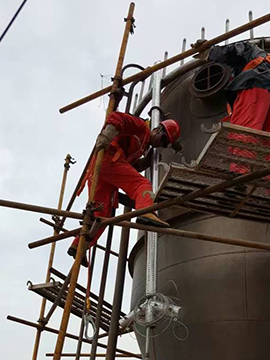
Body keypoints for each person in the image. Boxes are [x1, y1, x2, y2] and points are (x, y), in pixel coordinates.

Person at [67, 111, 181, 266]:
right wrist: (107, 135)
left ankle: (79, 246)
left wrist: (143, 163)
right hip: (108, 159)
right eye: (164, 139)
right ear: (158, 130)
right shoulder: (141, 127)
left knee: (102, 214)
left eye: (165, 144)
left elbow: (128, 168)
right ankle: (146, 212)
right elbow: (117, 118)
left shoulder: (142, 146)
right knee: (142, 185)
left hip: (104, 170)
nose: (162, 144)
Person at [195, 40, 270, 177]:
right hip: (266, 91)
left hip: (257, 84)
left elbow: (234, 51)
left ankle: (239, 175)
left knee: (243, 132)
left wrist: (209, 52)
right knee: (266, 142)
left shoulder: (251, 52)